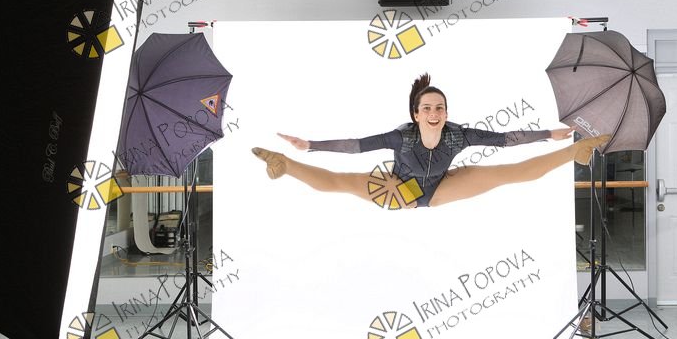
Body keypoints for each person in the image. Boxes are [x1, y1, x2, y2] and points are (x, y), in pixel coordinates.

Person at [252, 73, 610, 208]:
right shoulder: (400, 137)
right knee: (338, 183)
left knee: (509, 173)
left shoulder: (459, 135)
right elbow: (356, 145)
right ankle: (285, 165)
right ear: (416, 115)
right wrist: (311, 145)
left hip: (440, 187)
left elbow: (506, 139)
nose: (434, 112)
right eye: (427, 108)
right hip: (399, 188)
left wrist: (549, 134)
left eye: (439, 107)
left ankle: (575, 151)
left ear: (446, 111)